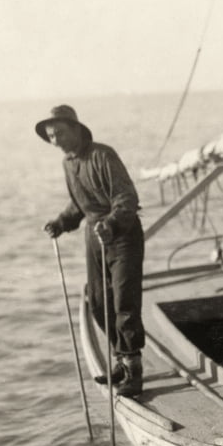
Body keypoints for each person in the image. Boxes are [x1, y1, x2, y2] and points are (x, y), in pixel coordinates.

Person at [37, 105, 145, 396]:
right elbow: (79, 205)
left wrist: (112, 223)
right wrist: (61, 222)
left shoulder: (102, 155)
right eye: (50, 136)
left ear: (76, 129)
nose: (55, 139)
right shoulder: (68, 164)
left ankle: (134, 369)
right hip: (93, 236)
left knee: (124, 301)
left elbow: (126, 197)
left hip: (122, 234)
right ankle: (120, 361)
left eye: (59, 132)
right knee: (98, 302)